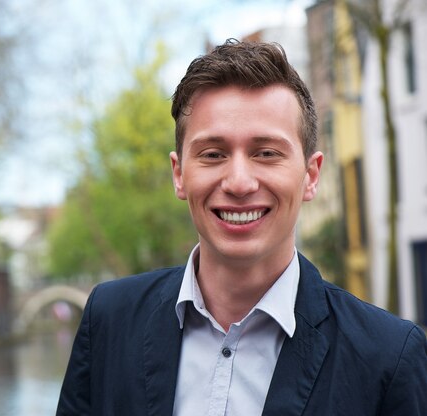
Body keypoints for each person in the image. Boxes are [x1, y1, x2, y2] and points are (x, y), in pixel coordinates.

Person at [56, 39, 427, 415]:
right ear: (179, 174)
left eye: (266, 153)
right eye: (213, 154)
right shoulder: (108, 321)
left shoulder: (388, 358)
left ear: (310, 176)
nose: (238, 182)